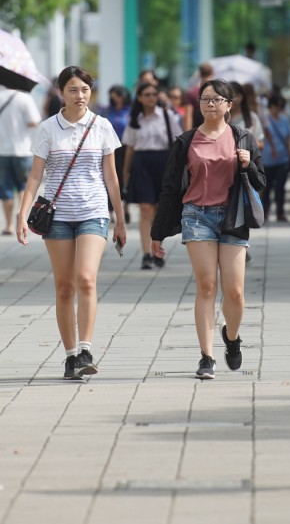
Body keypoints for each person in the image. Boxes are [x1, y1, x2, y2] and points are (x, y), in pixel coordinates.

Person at [150, 79, 266, 379]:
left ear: (229, 105)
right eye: (205, 99)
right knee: (206, 286)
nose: (210, 104)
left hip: (233, 217)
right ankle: (206, 356)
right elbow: (169, 187)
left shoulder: (243, 139)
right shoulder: (186, 141)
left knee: (236, 292)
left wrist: (248, 164)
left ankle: (232, 337)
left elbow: (260, 184)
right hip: (196, 216)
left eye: (216, 99)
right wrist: (157, 232)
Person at [16, 66, 126, 380]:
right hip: (58, 216)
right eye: (73, 90)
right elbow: (35, 176)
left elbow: (111, 177)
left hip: (93, 212)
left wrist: (119, 219)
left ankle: (86, 348)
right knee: (64, 287)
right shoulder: (48, 128)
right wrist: (21, 216)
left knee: (86, 279)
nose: (80, 96)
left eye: (85, 90)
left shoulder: (102, 126)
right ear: (61, 93)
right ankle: (69, 355)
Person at [122, 82, 181, 270]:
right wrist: (125, 172)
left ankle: (158, 250)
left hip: (163, 162)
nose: (151, 97)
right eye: (146, 94)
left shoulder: (167, 115)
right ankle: (146, 254)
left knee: (159, 209)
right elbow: (129, 147)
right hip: (141, 163)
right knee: (145, 208)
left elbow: (178, 141)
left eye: (154, 94)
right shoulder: (135, 118)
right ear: (139, 97)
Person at [0, 88, 41, 235]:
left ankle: (8, 226)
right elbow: (34, 121)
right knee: (23, 187)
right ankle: (22, 219)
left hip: (1, 151)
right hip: (23, 150)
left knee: (5, 190)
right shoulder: (25, 98)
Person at [99, 85, 132, 224]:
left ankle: (126, 207)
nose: (114, 97)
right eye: (111, 94)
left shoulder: (130, 111)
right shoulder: (106, 111)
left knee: (126, 177)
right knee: (110, 178)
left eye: (116, 94)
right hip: (110, 148)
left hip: (126, 148)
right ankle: (110, 210)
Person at [261, 92, 290, 222]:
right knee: (267, 187)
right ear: (271, 106)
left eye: (280, 106)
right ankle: (265, 212)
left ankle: (280, 213)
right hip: (267, 159)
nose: (277, 109)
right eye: (275, 105)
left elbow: (289, 136)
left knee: (280, 187)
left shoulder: (285, 120)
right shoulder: (265, 121)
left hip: (283, 159)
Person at [185, 62, 214, 128]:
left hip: (197, 130)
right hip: (215, 130)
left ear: (200, 74)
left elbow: (188, 116)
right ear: (213, 73)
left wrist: (187, 136)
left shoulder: (192, 92)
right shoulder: (219, 91)